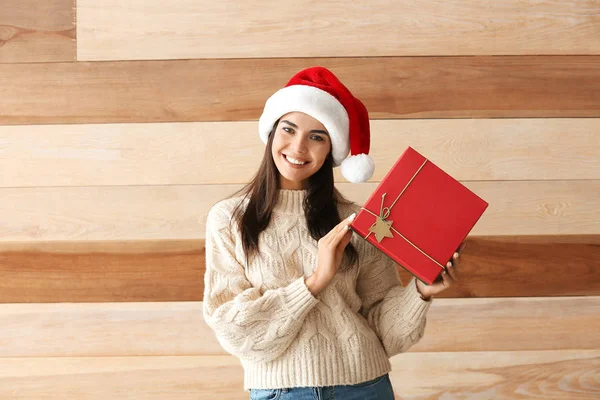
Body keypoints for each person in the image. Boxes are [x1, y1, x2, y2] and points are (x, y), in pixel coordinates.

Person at [202, 66, 463, 400]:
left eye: (317, 136)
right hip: (282, 392)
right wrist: (315, 281)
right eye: (289, 129)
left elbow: (387, 332)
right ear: (271, 131)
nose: (298, 147)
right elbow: (233, 330)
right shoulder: (229, 219)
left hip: (366, 387)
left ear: (330, 150)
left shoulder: (356, 220)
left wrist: (421, 292)